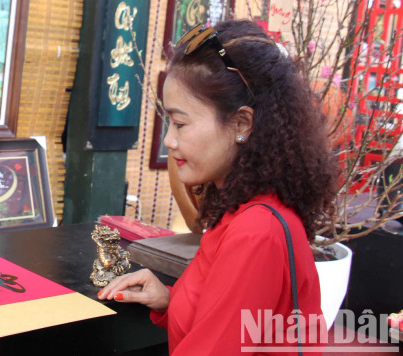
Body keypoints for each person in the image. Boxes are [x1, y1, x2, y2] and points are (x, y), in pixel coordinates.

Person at [98, 20, 339, 354]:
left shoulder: (256, 232)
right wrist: (169, 300)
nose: (169, 140)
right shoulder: (242, 211)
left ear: (241, 124)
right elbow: (228, 321)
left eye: (180, 123)